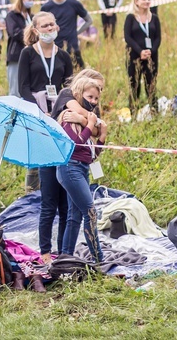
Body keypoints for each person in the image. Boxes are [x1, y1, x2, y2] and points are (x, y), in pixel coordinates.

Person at [19, 12, 74, 200]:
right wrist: (40, 111)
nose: (49, 28)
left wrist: (59, 110)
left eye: (52, 24)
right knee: (36, 154)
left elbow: (68, 88)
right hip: (35, 108)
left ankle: (57, 193)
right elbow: (23, 87)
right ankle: (32, 196)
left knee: (56, 150)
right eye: (45, 26)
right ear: (36, 29)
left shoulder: (64, 55)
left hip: (57, 109)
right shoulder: (27, 53)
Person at [56, 76, 107, 263]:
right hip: (69, 168)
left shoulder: (83, 121)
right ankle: (98, 258)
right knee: (90, 211)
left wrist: (101, 138)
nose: (93, 102)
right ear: (79, 94)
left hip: (82, 168)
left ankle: (65, 257)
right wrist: (91, 125)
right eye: (90, 97)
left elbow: (91, 156)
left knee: (75, 215)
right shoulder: (68, 116)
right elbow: (75, 144)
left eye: (96, 99)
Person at [40, 0, 92, 68]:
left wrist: (76, 32)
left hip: (73, 47)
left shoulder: (74, 4)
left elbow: (88, 20)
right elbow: (39, 27)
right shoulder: (46, 7)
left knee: (78, 77)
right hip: (54, 48)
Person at [124, 0, 161, 110]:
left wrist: (151, 51)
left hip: (151, 56)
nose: (147, 1)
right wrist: (140, 51)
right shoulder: (130, 18)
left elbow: (158, 37)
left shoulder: (154, 18)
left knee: (151, 85)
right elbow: (128, 37)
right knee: (134, 85)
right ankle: (133, 112)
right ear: (136, 1)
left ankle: (154, 112)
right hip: (134, 56)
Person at [5, 0, 35, 98]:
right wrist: (31, 34)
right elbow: (15, 33)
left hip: (30, 56)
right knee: (15, 90)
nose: (31, 1)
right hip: (16, 56)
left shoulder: (31, 17)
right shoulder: (12, 15)